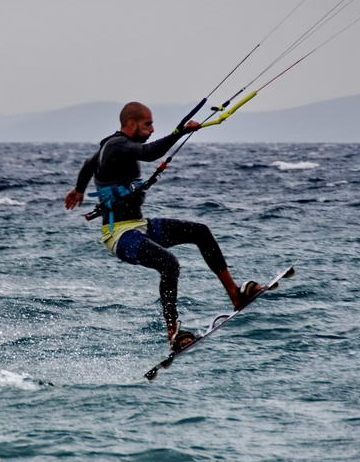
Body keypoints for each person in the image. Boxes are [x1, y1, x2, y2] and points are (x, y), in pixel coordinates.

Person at [64, 102, 262, 351]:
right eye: (148, 124)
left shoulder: (110, 146)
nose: (152, 129)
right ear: (131, 124)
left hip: (140, 226)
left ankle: (235, 294)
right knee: (170, 263)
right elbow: (149, 153)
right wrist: (180, 133)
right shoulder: (117, 144)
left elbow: (88, 164)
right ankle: (173, 333)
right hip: (120, 236)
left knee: (200, 231)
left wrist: (79, 189)